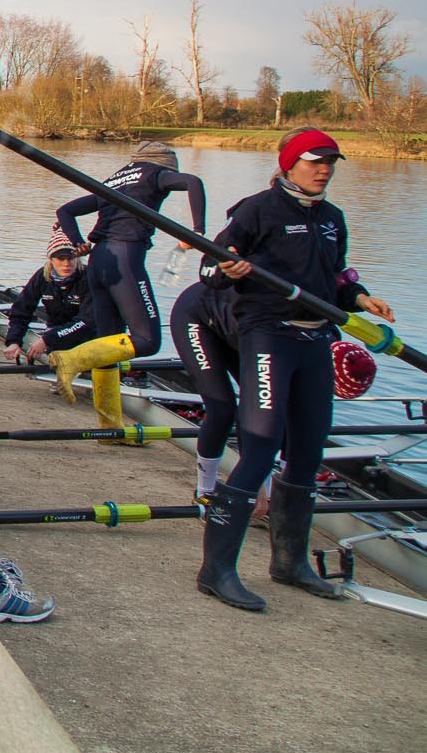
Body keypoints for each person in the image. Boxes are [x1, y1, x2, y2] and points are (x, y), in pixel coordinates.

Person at [192, 128, 395, 612]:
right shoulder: (256, 209)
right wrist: (228, 269)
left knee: (307, 448)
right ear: (289, 164)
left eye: (330, 162)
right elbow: (208, 269)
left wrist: (359, 298)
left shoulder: (332, 219)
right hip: (268, 334)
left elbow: (333, 280)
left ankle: (290, 563)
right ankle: (216, 571)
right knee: (261, 446)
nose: (323, 169)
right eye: (313, 161)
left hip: (316, 338)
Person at [48, 141, 208, 437]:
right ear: (165, 165)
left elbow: (66, 210)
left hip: (99, 260)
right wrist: (197, 232)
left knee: (108, 346)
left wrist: (75, 241)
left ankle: (109, 428)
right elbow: (193, 182)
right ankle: (70, 358)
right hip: (125, 259)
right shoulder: (154, 173)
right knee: (148, 340)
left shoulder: (114, 180)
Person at [174, 278, 379, 506]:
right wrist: (254, 485)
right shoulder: (289, 347)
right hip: (197, 315)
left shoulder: (323, 338)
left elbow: (338, 282)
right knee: (222, 408)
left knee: (280, 411)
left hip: (240, 330)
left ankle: (269, 494)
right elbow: (252, 416)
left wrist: (361, 297)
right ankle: (205, 491)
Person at [1, 229, 98, 385]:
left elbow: (87, 321)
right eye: (61, 259)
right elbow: (21, 310)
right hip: (59, 332)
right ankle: (63, 365)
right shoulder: (42, 276)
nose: (66, 264)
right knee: (54, 350)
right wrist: (14, 341)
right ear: (51, 259)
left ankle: (90, 370)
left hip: (89, 333)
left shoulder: (87, 278)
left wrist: (46, 339)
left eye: (71, 258)